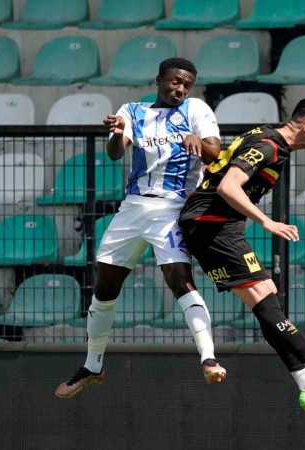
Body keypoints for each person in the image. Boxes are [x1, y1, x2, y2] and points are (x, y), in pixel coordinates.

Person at [178, 98, 305, 411]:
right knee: (265, 299)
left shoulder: (266, 138)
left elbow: (220, 166)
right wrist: (267, 222)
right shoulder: (269, 146)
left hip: (213, 226)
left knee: (267, 301)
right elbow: (228, 187)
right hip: (212, 227)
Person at [55, 57, 226, 398]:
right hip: (132, 207)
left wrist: (198, 140)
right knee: (105, 287)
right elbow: (114, 153)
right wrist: (118, 134)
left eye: (186, 85)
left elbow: (214, 153)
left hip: (173, 207)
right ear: (158, 79)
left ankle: (208, 358)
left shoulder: (195, 109)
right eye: (175, 81)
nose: (180, 89)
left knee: (179, 279)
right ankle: (92, 364)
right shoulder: (132, 111)